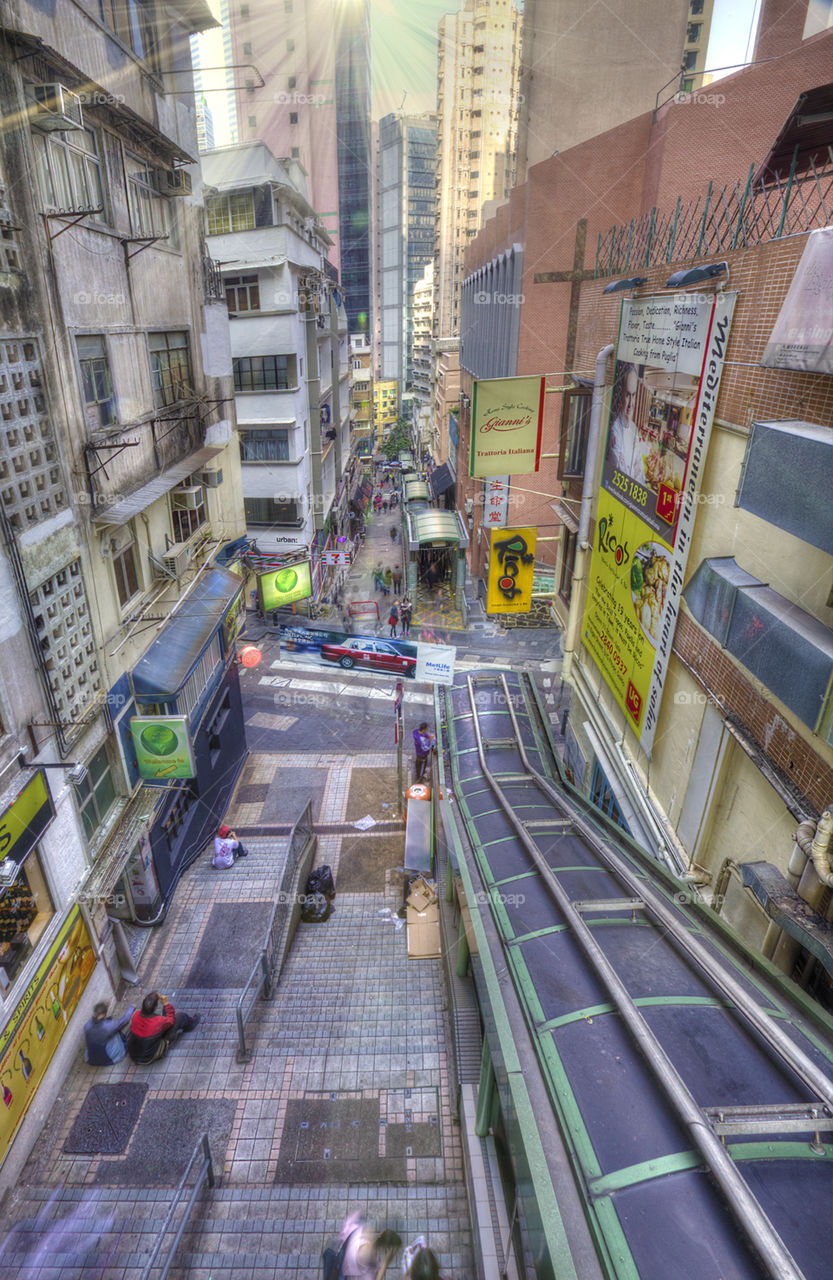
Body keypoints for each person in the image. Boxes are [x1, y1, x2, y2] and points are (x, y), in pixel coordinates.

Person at [127, 992, 200, 1064]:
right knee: (180, 1017)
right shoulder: (157, 1022)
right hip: (148, 1058)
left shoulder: (136, 1015)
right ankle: (192, 1023)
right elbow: (171, 1020)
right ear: (155, 1007)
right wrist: (166, 1004)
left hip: (134, 1055)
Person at [608, 363, 649, 482]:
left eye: (634, 395)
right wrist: (633, 470)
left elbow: (641, 471)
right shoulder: (615, 429)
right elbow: (620, 474)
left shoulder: (634, 428)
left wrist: (631, 468)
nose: (631, 403)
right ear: (621, 394)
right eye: (627, 395)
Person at [84, 1001, 135, 1066]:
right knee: (116, 1033)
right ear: (103, 1015)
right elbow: (124, 1020)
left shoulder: (87, 1025)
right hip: (107, 1059)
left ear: (94, 1012)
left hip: (90, 1059)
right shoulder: (109, 1025)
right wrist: (132, 1007)